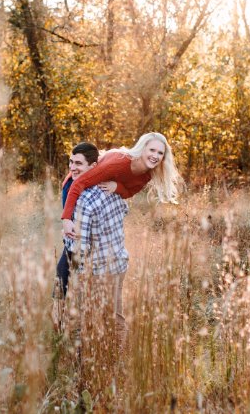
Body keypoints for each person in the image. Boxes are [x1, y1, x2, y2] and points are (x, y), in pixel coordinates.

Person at [61, 132, 181, 367]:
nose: (155, 156)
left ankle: (108, 361)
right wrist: (66, 218)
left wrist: (117, 186)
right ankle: (94, 357)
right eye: (152, 150)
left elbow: (129, 193)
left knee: (101, 313)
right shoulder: (118, 164)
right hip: (76, 186)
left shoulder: (146, 174)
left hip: (107, 260)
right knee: (72, 274)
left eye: (160, 152)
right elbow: (78, 184)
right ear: (142, 149)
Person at [54, 142, 116, 299]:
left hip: (99, 251)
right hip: (74, 245)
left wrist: (116, 185)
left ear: (93, 166)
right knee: (60, 285)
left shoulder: (101, 187)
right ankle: (58, 312)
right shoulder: (69, 184)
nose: (72, 167)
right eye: (71, 162)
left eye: (78, 163)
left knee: (91, 296)